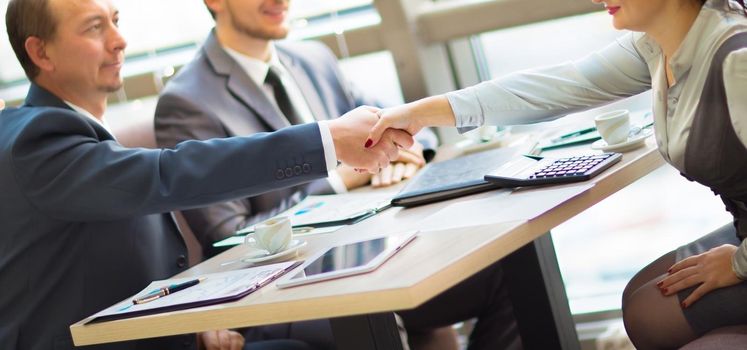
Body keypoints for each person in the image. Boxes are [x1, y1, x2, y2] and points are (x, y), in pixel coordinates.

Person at [0, 0, 412, 348]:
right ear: (41, 53)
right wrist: (327, 142)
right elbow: (171, 174)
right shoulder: (35, 140)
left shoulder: (77, 133)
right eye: (94, 28)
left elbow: (114, 263)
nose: (119, 39)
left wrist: (193, 325)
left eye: (116, 21)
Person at [365, 0, 747, 348]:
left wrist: (737, 263)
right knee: (639, 301)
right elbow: (558, 85)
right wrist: (419, 113)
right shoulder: (655, 47)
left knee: (652, 318)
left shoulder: (736, 59)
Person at [154, 0, 435, 259]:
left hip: (378, 241)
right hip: (299, 277)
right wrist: (340, 180)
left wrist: (399, 155)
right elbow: (228, 237)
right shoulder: (186, 102)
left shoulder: (314, 58)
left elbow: (406, 123)